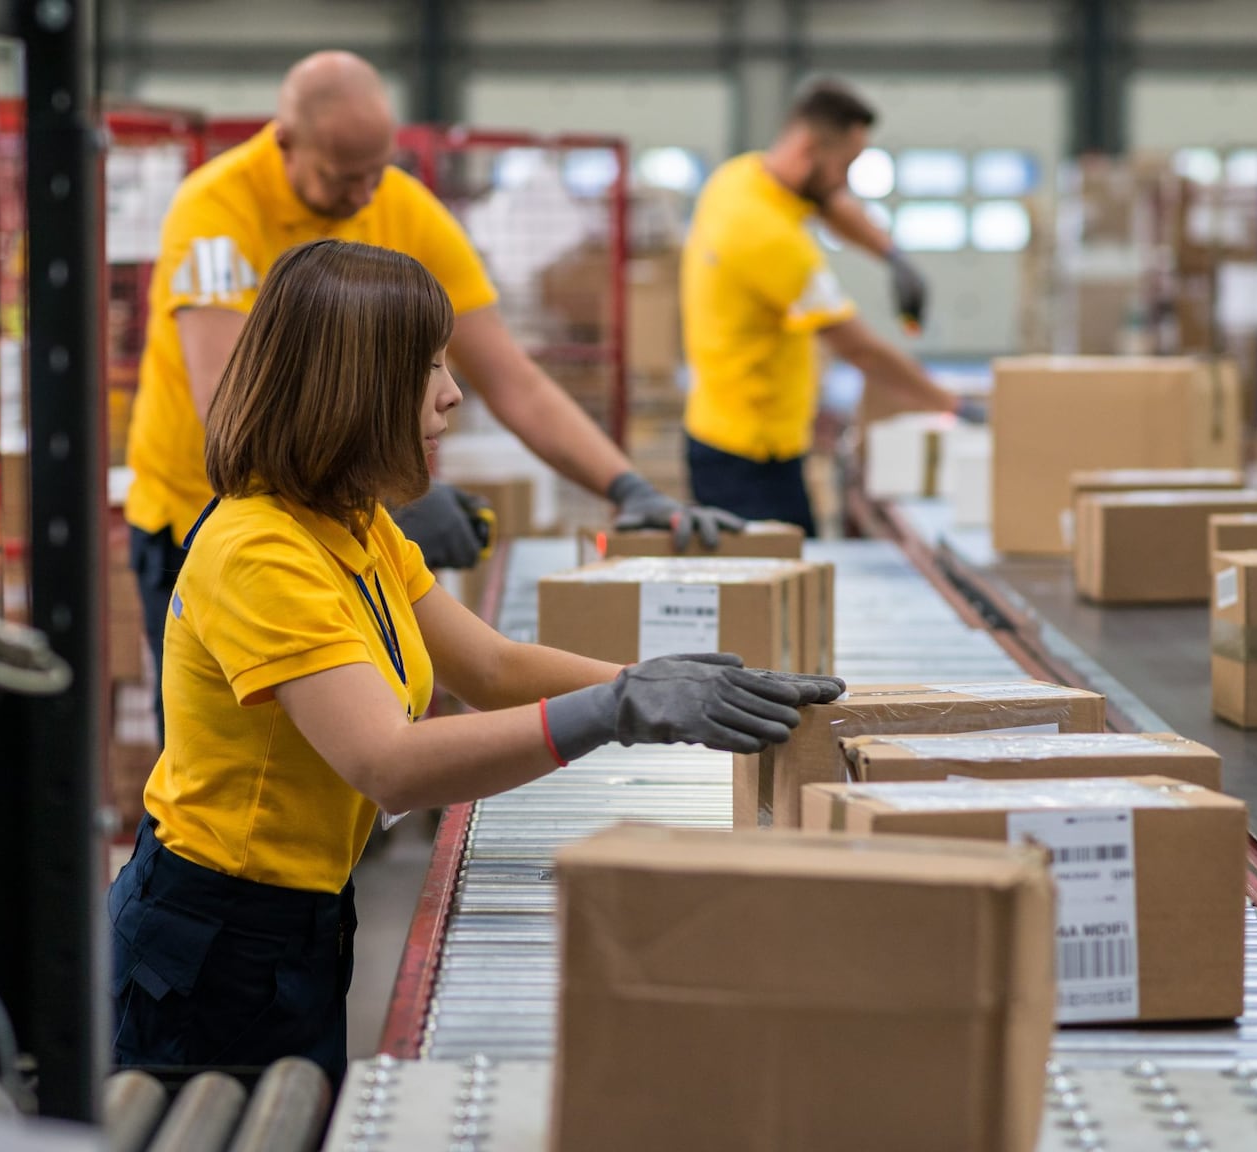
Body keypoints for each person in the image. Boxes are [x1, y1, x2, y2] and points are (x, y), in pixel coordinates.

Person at [108, 239, 843, 1084]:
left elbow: (486, 666)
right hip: (210, 942)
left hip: (299, 918)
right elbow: (389, 765)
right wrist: (615, 714)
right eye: (426, 368)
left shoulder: (353, 521)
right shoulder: (259, 552)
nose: (452, 394)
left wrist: (659, 684)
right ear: (355, 386)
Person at [125, 50, 741, 741]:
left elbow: (513, 379)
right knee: (241, 742)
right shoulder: (217, 210)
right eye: (343, 176)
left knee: (337, 742)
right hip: (202, 510)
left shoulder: (399, 206)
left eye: (377, 170)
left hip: (336, 509)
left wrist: (627, 486)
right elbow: (230, 400)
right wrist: (389, 489)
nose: (365, 194)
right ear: (285, 141)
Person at [681, 77, 977, 536]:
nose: (847, 181)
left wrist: (892, 256)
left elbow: (832, 204)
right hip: (749, 459)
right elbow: (861, 351)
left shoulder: (741, 178)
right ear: (808, 148)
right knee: (783, 588)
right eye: (846, 164)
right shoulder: (771, 240)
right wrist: (952, 406)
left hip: (731, 434)